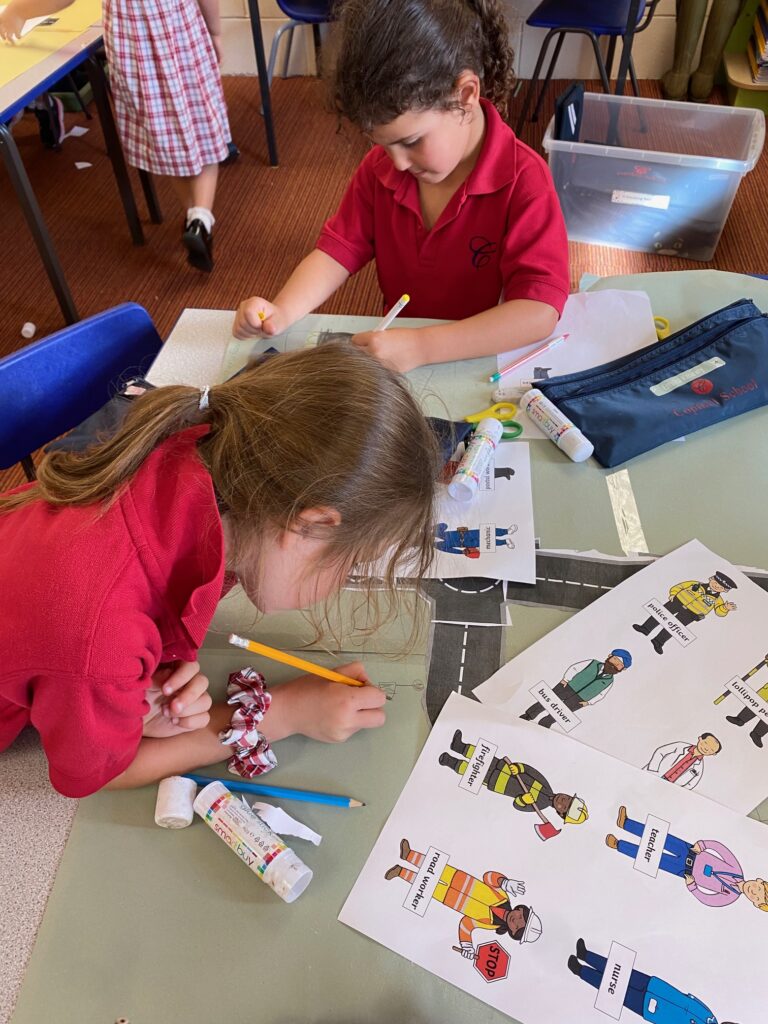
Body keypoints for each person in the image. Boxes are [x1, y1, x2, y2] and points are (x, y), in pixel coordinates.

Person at [0, 344, 440, 797]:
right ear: (310, 524)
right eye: (351, 565)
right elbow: (108, 772)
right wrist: (281, 714)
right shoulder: (99, 632)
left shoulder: (203, 449)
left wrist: (139, 683)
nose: (342, 583)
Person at [233, 0, 569, 372]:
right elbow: (337, 251)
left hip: (476, 357)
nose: (397, 162)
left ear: (466, 95)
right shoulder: (380, 169)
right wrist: (282, 310)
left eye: (410, 142)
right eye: (380, 144)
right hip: (398, 352)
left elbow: (539, 312)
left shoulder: (525, 181)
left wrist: (423, 347)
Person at [0, 0, 230, 272]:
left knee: (169, 143)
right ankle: (200, 217)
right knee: (205, 132)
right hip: (185, 40)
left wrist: (18, 11)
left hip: (136, 56)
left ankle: (192, 215)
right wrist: (215, 30)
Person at [384, 838, 542, 955]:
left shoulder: (491, 924)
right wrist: (504, 882)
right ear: (520, 910)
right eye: (521, 918)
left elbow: (466, 924)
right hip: (457, 877)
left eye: (518, 928)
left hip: (448, 898)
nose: (516, 921)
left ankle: (400, 872)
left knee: (425, 885)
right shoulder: (503, 896)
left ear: (513, 933)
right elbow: (488, 877)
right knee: (434, 868)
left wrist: (466, 944)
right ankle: (409, 855)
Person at [605, 805, 768, 911]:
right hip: (691, 851)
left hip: (684, 870)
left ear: (754, 903)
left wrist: (693, 887)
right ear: (759, 881)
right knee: (659, 837)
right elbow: (721, 850)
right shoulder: (736, 869)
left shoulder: (730, 896)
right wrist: (703, 845)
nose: (753, 891)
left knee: (650, 856)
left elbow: (709, 900)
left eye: (756, 897)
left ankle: (618, 845)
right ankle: (626, 824)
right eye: (758, 889)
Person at [438, 730, 589, 826]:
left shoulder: (539, 806)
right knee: (480, 756)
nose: (562, 801)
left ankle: (449, 761)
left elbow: (517, 805)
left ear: (560, 813)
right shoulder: (546, 785)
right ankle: (458, 746)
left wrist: (524, 800)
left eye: (564, 807)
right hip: (504, 768)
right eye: (567, 798)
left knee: (473, 770)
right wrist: (519, 768)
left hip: (497, 782)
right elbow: (531, 771)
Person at [568, 938, 728, 1024]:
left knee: (614, 987)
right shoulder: (710, 1016)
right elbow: (688, 998)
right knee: (620, 972)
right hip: (657, 988)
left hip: (651, 1008)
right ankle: (586, 955)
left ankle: (580, 970)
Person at [521, 649, 633, 729]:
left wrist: (588, 702)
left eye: (619, 665)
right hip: (567, 686)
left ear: (622, 669)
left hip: (581, 699)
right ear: (609, 656)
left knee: (564, 711)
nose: (615, 665)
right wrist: (565, 679)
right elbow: (575, 668)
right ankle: (529, 715)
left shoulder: (610, 681)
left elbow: (601, 694)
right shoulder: (592, 663)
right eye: (615, 660)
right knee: (549, 700)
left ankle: (545, 722)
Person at [633, 572, 737, 655]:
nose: (716, 586)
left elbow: (719, 612)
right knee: (661, 614)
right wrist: (673, 594)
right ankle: (645, 628)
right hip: (677, 601)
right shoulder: (696, 584)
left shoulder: (718, 599)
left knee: (674, 627)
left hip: (691, 614)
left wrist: (725, 608)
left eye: (721, 587)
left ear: (724, 590)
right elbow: (680, 586)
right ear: (711, 579)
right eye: (716, 582)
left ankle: (658, 641)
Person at [644, 732, 721, 790]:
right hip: (651, 774)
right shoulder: (680, 746)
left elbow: (691, 784)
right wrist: (652, 771)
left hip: (668, 788)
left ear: (713, 754)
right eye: (705, 743)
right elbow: (660, 752)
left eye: (711, 750)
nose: (706, 748)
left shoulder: (699, 768)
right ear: (700, 738)